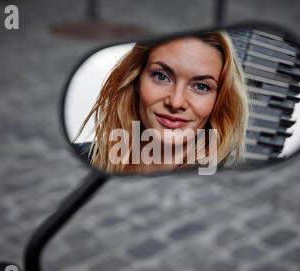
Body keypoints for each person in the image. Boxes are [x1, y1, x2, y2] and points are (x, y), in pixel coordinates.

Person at [74, 31, 248, 174]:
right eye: (161, 76)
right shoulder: (82, 158)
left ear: (219, 102)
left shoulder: (223, 188)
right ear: (136, 81)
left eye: (201, 87)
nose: (176, 101)